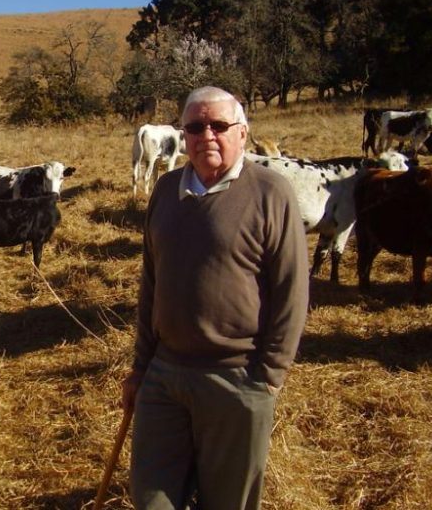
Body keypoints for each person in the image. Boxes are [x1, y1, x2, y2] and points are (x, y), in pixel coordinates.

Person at [121, 86, 309, 510]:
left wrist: (267, 377)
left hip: (237, 377)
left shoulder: (270, 193)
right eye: (195, 126)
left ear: (242, 133)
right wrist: (140, 368)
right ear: (183, 135)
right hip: (165, 373)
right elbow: (151, 283)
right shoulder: (166, 190)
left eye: (219, 125)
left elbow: (291, 292)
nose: (207, 134)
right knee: (150, 498)